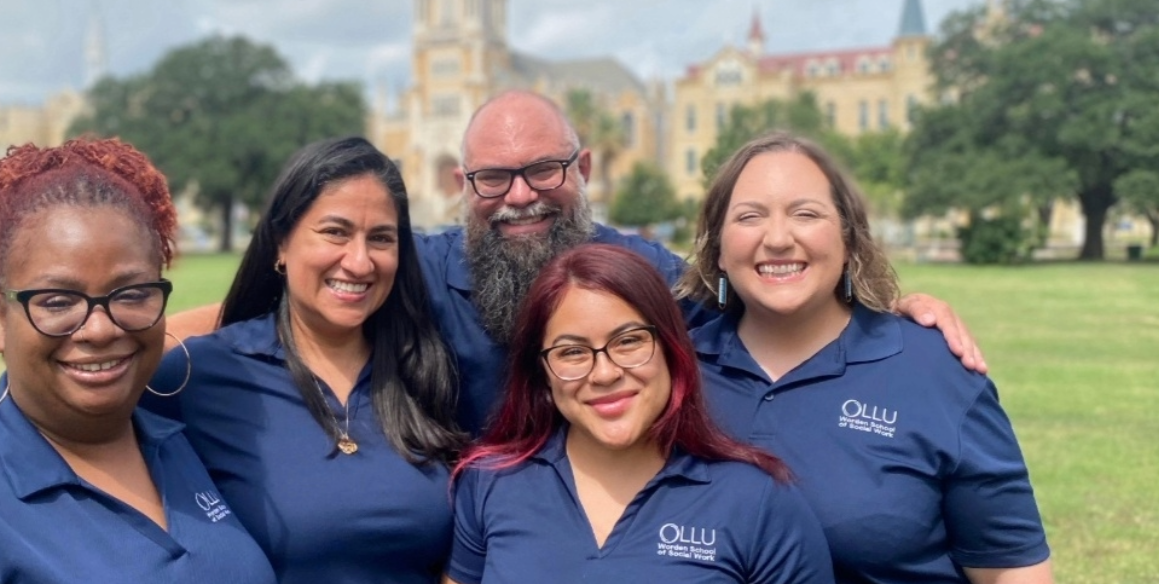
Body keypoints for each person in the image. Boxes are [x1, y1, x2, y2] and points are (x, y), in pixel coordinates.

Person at [170, 90, 985, 434]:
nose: (520, 195)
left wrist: (898, 308)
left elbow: (772, 299)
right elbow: (305, 302)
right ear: (465, 185)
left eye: (545, 171)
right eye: (494, 177)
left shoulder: (650, 278)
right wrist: (135, 331)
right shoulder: (421, 268)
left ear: (584, 171)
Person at [678, 133, 1063, 584]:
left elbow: (1012, 582)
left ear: (849, 235)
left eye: (806, 213)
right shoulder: (668, 374)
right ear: (716, 246)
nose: (777, 238)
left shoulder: (933, 369)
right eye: (750, 216)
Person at [0, 139, 281, 584]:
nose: (99, 329)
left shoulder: (173, 432)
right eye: (55, 301)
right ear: (1, 317)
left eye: (131, 293)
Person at [431, 244, 844, 584]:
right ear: (542, 372)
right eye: (571, 352)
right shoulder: (490, 483)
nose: (604, 372)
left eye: (629, 341)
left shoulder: (759, 505)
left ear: (670, 347)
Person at [142, 136, 468, 584]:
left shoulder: (427, 375)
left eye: (381, 239)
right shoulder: (199, 378)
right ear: (280, 244)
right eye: (335, 232)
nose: (360, 261)